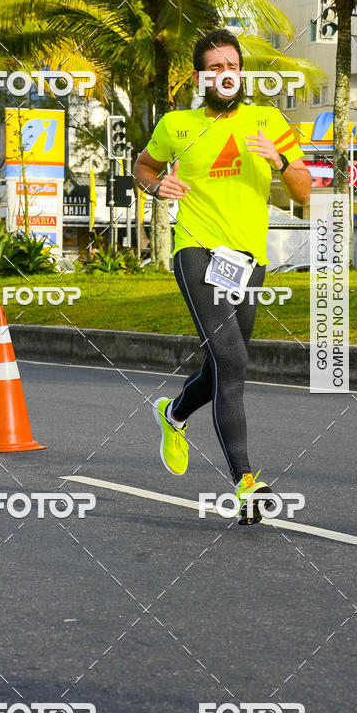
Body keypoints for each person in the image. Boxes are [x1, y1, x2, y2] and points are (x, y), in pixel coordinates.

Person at [134, 28, 311, 524]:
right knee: (231, 359)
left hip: (247, 261)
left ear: (240, 71)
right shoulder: (177, 124)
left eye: (231, 65)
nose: (224, 73)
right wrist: (155, 185)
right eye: (214, 67)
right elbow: (143, 166)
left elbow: (304, 191)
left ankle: (173, 414)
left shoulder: (268, 120)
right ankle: (246, 482)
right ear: (199, 77)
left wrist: (279, 161)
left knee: (222, 368)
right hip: (196, 251)